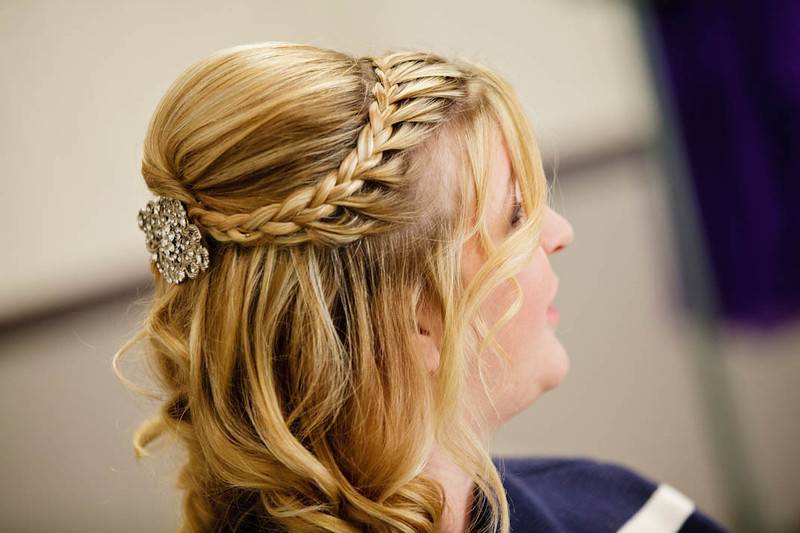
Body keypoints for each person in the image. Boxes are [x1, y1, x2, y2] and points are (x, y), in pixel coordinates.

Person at [114, 41, 728, 533]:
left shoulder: (633, 513)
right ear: (417, 319)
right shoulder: (616, 515)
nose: (559, 232)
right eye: (515, 216)